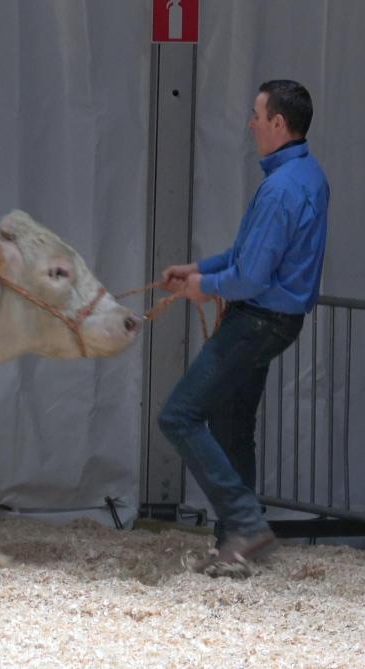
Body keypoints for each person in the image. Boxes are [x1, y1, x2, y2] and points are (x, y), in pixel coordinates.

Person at [158, 80, 328, 576]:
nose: (250, 123)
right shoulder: (305, 175)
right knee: (233, 424)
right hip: (275, 320)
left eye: (256, 114)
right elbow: (246, 255)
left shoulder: (279, 189)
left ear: (278, 123)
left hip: (257, 319)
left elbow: (250, 275)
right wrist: (199, 268)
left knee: (179, 415)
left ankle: (246, 524)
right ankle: (235, 539)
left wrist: (204, 286)